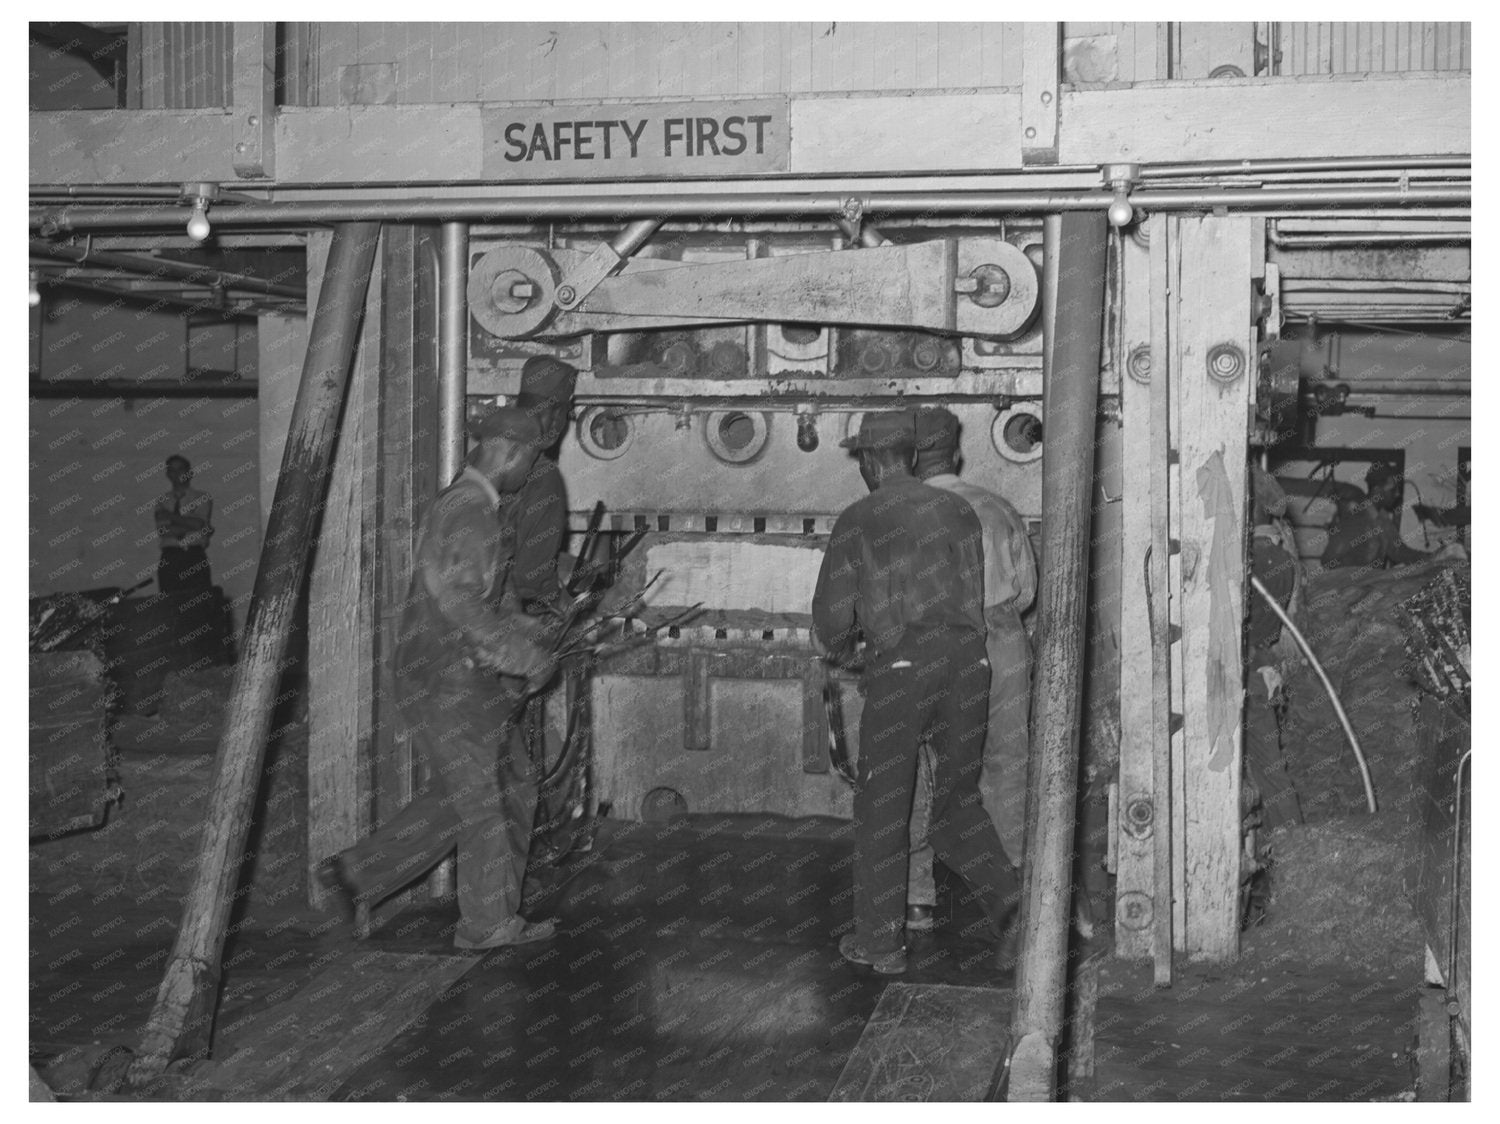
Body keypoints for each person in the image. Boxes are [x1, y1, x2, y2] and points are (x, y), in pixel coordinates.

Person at [318, 407, 559, 950]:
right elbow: (459, 604)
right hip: (449, 680)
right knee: (483, 803)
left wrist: (521, 623)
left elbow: (470, 596)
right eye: (533, 458)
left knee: (507, 786)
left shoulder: (472, 507)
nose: (532, 470)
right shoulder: (472, 511)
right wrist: (529, 658)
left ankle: (357, 875)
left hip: (458, 675)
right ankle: (485, 925)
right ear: (511, 451)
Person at [812, 409, 1022, 976]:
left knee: (883, 805)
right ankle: (1015, 907)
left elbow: (832, 618)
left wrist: (845, 651)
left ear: (873, 461)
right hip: (971, 664)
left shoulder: (860, 517)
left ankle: (880, 943)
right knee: (957, 803)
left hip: (903, 669)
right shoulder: (956, 510)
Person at [905, 408, 1037, 931]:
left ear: (908, 460)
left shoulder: (896, 512)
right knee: (1006, 759)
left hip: (930, 645)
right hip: (1001, 640)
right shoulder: (996, 506)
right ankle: (1010, 887)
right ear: (957, 454)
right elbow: (1026, 591)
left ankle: (917, 898)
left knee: (915, 768)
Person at [1244, 466, 1304, 829]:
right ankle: (1292, 839)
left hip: (1248, 672)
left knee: (1266, 767)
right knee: (1269, 768)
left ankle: (1294, 841)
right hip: (1263, 667)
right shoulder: (1279, 557)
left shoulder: (1256, 560)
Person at [507, 356, 579, 616]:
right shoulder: (544, 476)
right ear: (557, 415)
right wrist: (563, 603)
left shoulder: (485, 455)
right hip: (504, 618)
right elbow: (531, 579)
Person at [1321, 462, 1428, 570]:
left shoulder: (1382, 520)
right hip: (1349, 585)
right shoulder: (1355, 519)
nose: (1397, 494)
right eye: (1392, 490)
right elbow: (1328, 559)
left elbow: (1399, 551)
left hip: (1369, 584)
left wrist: (1433, 557)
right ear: (1377, 490)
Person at [153, 454, 213, 594]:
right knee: (170, 604)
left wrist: (169, 516)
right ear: (168, 474)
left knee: (200, 603)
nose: (177, 473)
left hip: (194, 555)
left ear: (189, 472)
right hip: (170, 557)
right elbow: (164, 531)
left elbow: (198, 524)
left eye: (180, 469)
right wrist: (189, 523)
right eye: (172, 470)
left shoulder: (201, 497)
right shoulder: (162, 500)